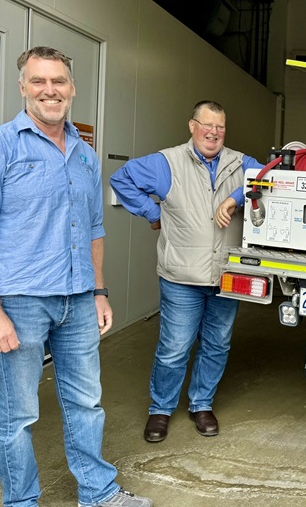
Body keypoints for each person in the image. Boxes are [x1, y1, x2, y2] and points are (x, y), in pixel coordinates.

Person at [0, 47, 152, 507]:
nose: (50, 90)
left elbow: (94, 230)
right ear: (22, 87)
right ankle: (21, 502)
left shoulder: (85, 156)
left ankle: (98, 494)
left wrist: (99, 291)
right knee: (17, 413)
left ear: (72, 88)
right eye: (39, 81)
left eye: (58, 81)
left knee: (87, 404)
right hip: (19, 301)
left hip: (79, 299)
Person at [110, 100, 264, 443]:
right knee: (175, 347)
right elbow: (121, 179)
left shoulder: (242, 163)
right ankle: (160, 409)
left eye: (220, 127)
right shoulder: (167, 163)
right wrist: (152, 213)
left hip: (226, 273)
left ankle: (201, 403)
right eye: (207, 125)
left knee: (217, 344)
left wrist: (235, 197)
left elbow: (273, 177)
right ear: (192, 126)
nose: (213, 133)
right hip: (181, 275)